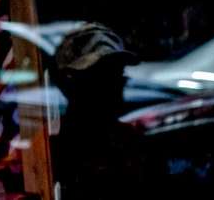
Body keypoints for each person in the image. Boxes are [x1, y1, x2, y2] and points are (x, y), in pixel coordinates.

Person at [50, 24, 147, 199]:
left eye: (118, 73)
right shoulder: (53, 151)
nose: (117, 83)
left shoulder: (131, 145)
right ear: (71, 83)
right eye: (102, 75)